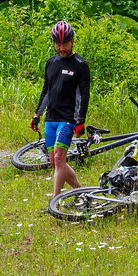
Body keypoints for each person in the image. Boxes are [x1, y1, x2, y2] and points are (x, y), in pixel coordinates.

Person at [30, 20, 92, 198]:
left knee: (59, 159)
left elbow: (85, 95)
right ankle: (81, 192)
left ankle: (55, 201)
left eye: (65, 44)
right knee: (55, 161)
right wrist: (37, 114)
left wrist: (81, 120)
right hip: (51, 117)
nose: (61, 48)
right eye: (58, 44)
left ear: (72, 41)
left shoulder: (80, 64)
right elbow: (46, 91)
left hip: (68, 118)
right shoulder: (51, 62)